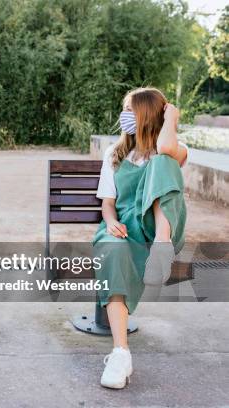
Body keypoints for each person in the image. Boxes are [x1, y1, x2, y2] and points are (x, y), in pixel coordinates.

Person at [93, 87, 188, 389]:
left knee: (162, 161)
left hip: (158, 229)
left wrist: (170, 117)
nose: (125, 117)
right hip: (122, 228)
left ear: (147, 116)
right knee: (113, 251)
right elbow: (108, 204)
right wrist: (110, 224)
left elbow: (166, 151)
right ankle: (120, 353)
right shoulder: (115, 153)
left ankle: (163, 243)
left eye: (130, 111)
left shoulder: (173, 149)